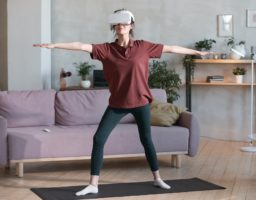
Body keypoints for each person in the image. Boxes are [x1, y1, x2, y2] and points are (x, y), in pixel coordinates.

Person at [34, 9, 209, 196]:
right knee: (98, 138)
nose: (120, 26)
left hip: (141, 102)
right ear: (114, 27)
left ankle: (157, 178)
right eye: (117, 24)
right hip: (117, 104)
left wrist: (197, 52)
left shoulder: (143, 46)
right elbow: (81, 45)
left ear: (131, 25)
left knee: (146, 140)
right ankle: (93, 184)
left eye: (124, 23)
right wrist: (53, 45)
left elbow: (172, 48)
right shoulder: (106, 49)